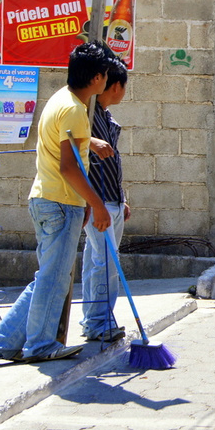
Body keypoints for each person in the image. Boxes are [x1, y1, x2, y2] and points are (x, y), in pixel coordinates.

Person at [0, 42, 112, 363]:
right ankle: (40, 345)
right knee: (54, 279)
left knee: (49, 276)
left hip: (47, 200)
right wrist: (95, 204)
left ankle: (2, 342)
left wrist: (90, 143)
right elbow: (68, 166)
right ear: (96, 78)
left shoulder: (60, 100)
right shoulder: (74, 110)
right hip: (59, 203)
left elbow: (64, 147)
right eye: (106, 74)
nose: (107, 79)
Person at [80, 56, 129, 343]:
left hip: (112, 199)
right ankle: (99, 322)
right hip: (98, 201)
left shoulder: (106, 117)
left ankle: (93, 318)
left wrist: (123, 198)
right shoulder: (87, 113)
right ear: (117, 86)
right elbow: (72, 144)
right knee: (106, 263)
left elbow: (114, 162)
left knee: (98, 260)